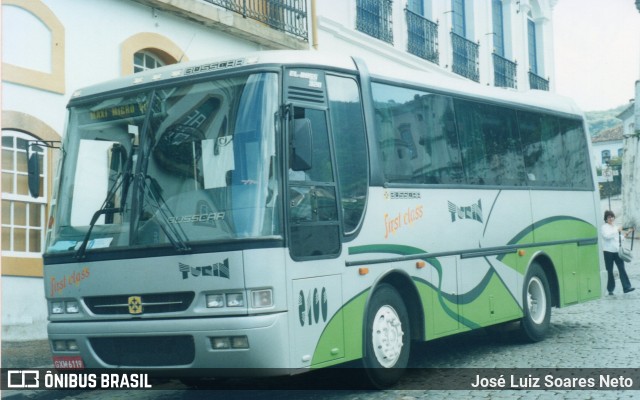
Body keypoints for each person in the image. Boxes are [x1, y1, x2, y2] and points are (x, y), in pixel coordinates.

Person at [601, 210, 635, 295]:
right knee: (609, 270)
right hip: (608, 252)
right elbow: (607, 236)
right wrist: (617, 231)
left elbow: (619, 238)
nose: (611, 218)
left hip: (617, 251)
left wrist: (627, 233)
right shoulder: (604, 227)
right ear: (606, 219)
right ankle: (610, 289)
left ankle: (626, 287)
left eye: (612, 217)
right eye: (609, 217)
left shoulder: (615, 227)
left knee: (622, 269)